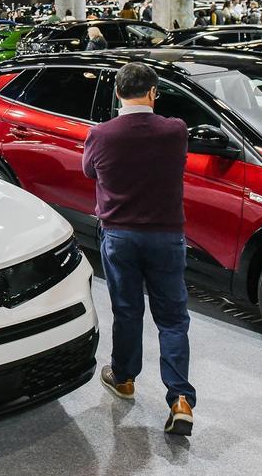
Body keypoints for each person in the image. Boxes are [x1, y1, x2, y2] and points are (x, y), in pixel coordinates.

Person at [83, 62, 195, 437]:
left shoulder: (101, 134)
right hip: (166, 236)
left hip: (120, 236)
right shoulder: (174, 130)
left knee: (127, 310)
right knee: (173, 318)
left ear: (117, 93)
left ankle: (125, 377)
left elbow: (89, 172)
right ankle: (180, 399)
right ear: (153, 93)